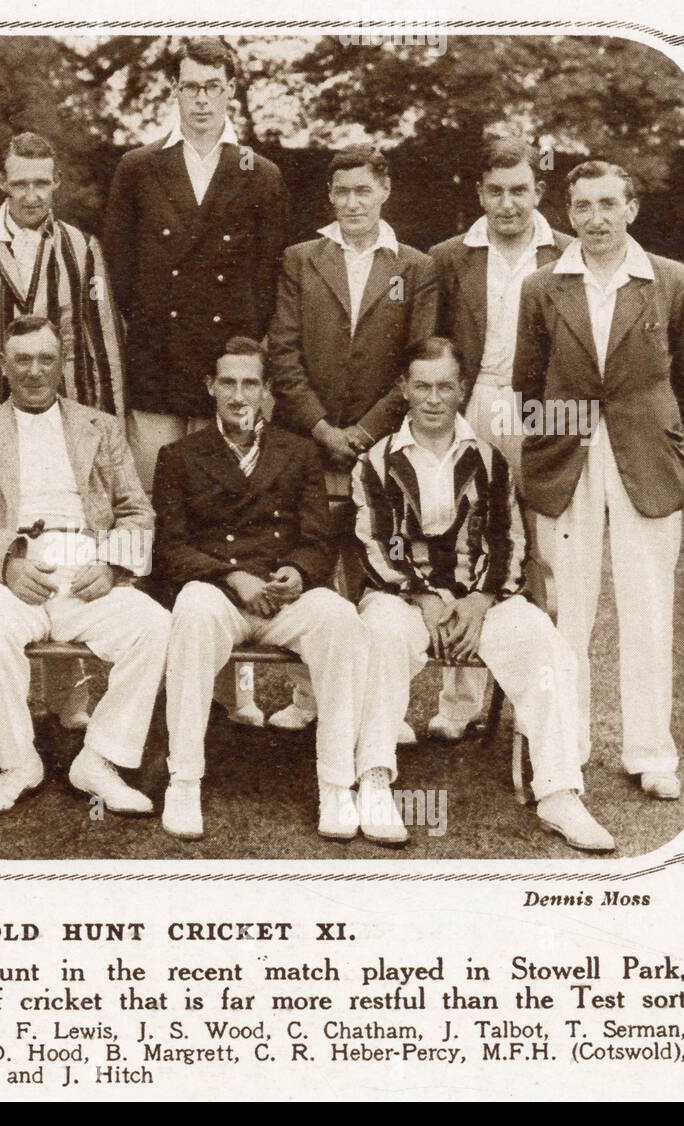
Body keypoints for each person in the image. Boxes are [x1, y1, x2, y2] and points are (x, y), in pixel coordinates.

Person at [352, 337, 615, 852]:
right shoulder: (376, 462)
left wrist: (479, 600)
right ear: (403, 388)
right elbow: (374, 544)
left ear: (462, 390)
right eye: (422, 386)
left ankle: (559, 791)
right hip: (403, 600)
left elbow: (509, 540)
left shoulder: (491, 460)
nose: (433, 399)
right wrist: (425, 598)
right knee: (380, 634)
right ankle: (375, 779)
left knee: (543, 641)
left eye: (445, 387)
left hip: (480, 601)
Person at [513, 161, 684, 802]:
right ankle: (567, 748)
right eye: (582, 207)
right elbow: (527, 384)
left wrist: (663, 439)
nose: (594, 219)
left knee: (648, 607)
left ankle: (650, 752)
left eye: (607, 205)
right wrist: (557, 441)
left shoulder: (671, 280)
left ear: (631, 209)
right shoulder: (543, 286)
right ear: (569, 215)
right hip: (566, 462)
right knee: (569, 610)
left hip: (644, 463)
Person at [153, 339, 381, 844]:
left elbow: (319, 540)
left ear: (267, 392)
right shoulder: (178, 456)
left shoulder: (297, 453)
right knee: (191, 610)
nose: (239, 395)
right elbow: (169, 548)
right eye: (228, 383)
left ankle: (337, 782)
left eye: (250, 383)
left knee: (341, 620)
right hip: (220, 593)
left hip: (284, 597)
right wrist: (233, 576)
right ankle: (184, 779)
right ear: (210, 387)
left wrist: (299, 572)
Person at [0, 315, 171, 817]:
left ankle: (101, 759)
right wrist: (6, 563)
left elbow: (138, 511)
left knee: (155, 625)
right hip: (13, 568)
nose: (34, 371)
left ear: (63, 365)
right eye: (22, 359)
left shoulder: (100, 427)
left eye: (47, 359)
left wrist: (111, 563)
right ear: (3, 366)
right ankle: (18, 762)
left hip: (87, 569)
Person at [266, 143, 438, 730]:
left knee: (375, 564)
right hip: (305, 439)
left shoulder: (414, 266)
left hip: (381, 443)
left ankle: (377, 708)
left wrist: (366, 430)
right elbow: (282, 352)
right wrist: (319, 426)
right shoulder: (301, 258)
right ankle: (308, 698)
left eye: (363, 190)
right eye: (341, 192)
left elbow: (417, 361)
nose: (352, 202)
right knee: (305, 558)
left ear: (385, 191)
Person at [425, 136, 572, 742]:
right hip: (472, 400)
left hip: (543, 411)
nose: (507, 204)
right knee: (464, 539)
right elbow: (433, 344)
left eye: (519, 191)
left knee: (547, 550)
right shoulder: (450, 256)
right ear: (479, 194)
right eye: (495, 191)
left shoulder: (565, 253)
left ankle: (545, 708)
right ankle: (457, 701)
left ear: (539, 192)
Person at [102, 35, 288, 490]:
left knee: (219, 498)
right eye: (190, 87)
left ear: (230, 91)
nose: (201, 99)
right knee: (149, 493)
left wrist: (240, 358)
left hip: (227, 369)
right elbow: (116, 271)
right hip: (157, 360)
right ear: (174, 89)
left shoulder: (261, 173)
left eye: (213, 86)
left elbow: (269, 278)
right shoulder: (138, 167)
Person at [0, 130, 124, 424]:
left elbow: (105, 353)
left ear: (57, 180)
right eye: (19, 184)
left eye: (41, 183)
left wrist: (111, 436)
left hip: (67, 421)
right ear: (2, 182)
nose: (31, 196)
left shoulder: (84, 250)